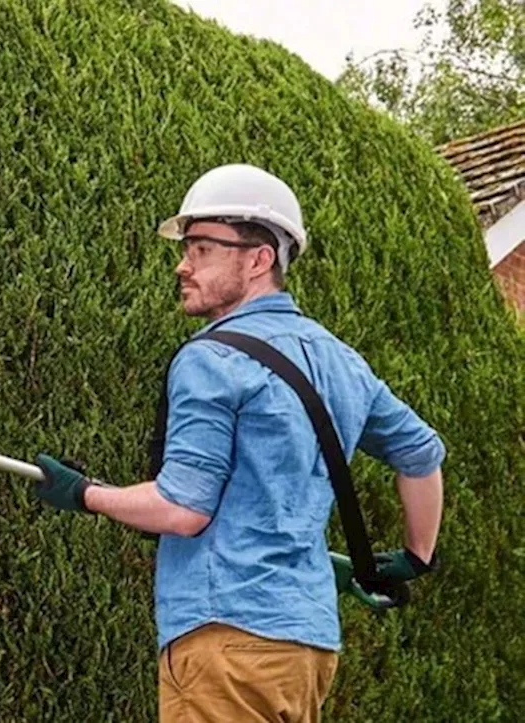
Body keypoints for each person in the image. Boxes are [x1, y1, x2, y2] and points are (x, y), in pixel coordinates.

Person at [32, 164, 446, 722]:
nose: (183, 265)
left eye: (202, 248)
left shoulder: (211, 359)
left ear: (258, 259)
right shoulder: (342, 362)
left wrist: (84, 493)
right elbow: (420, 454)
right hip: (308, 648)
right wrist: (415, 559)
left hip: (226, 641)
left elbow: (182, 510)